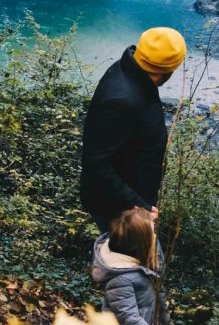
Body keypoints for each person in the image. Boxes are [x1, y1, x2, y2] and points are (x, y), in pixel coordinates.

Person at [80, 26, 187, 231]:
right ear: (170, 68)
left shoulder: (130, 70)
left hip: (129, 196)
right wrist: (140, 207)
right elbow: (97, 163)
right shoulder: (123, 100)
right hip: (119, 208)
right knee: (127, 260)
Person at [92, 206, 170, 325]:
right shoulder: (120, 279)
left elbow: (158, 283)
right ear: (141, 245)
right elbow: (129, 317)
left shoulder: (141, 260)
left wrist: (164, 316)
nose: (155, 237)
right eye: (152, 234)